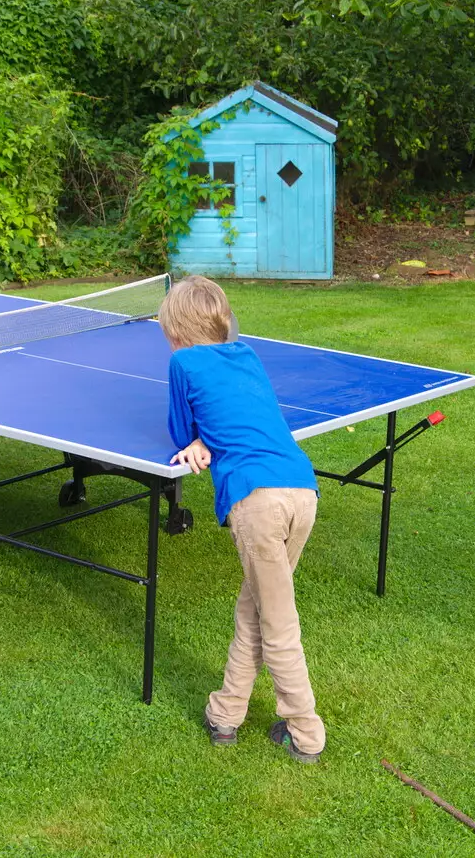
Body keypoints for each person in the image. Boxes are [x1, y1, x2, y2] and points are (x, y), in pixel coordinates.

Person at [161, 275, 326, 762]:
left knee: (278, 623)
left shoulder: (182, 362)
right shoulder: (248, 355)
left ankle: (305, 729)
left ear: (173, 329)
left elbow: (178, 427)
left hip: (257, 502)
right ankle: (226, 711)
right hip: (302, 490)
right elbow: (241, 412)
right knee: (254, 607)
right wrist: (208, 433)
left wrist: (195, 439)